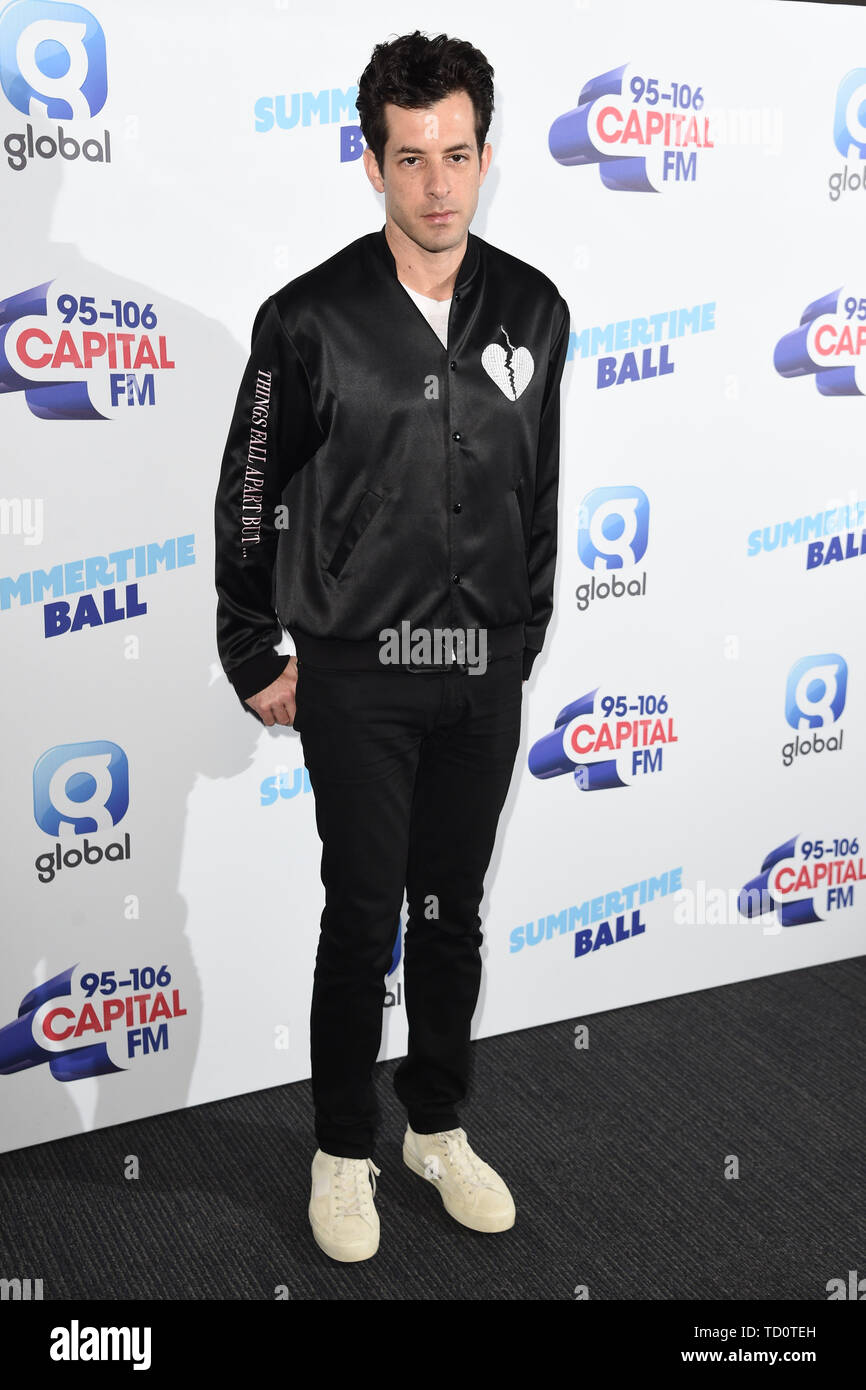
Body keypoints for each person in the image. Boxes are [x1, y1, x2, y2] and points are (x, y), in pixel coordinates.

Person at [214, 29, 570, 1263]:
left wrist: (519, 631)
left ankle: (435, 1125)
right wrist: (253, 642)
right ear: (371, 165)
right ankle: (340, 1149)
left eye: (457, 155)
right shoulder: (306, 320)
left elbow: (537, 483)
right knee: (363, 916)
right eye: (409, 158)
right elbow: (252, 488)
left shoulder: (533, 307)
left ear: (484, 155)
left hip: (482, 671)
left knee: (452, 913)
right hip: (357, 671)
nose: (437, 185)